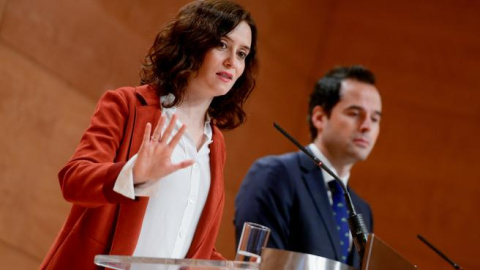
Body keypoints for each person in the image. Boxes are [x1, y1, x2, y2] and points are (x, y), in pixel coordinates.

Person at [40, 0, 258, 269]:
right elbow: (73, 180)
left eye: (242, 53)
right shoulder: (126, 105)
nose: (232, 61)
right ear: (193, 42)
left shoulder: (216, 144)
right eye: (222, 44)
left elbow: (186, 241)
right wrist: (133, 174)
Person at [234, 65, 381, 269]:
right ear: (319, 117)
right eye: (355, 113)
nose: (367, 126)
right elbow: (260, 264)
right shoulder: (275, 174)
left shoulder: (362, 209)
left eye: (375, 118)